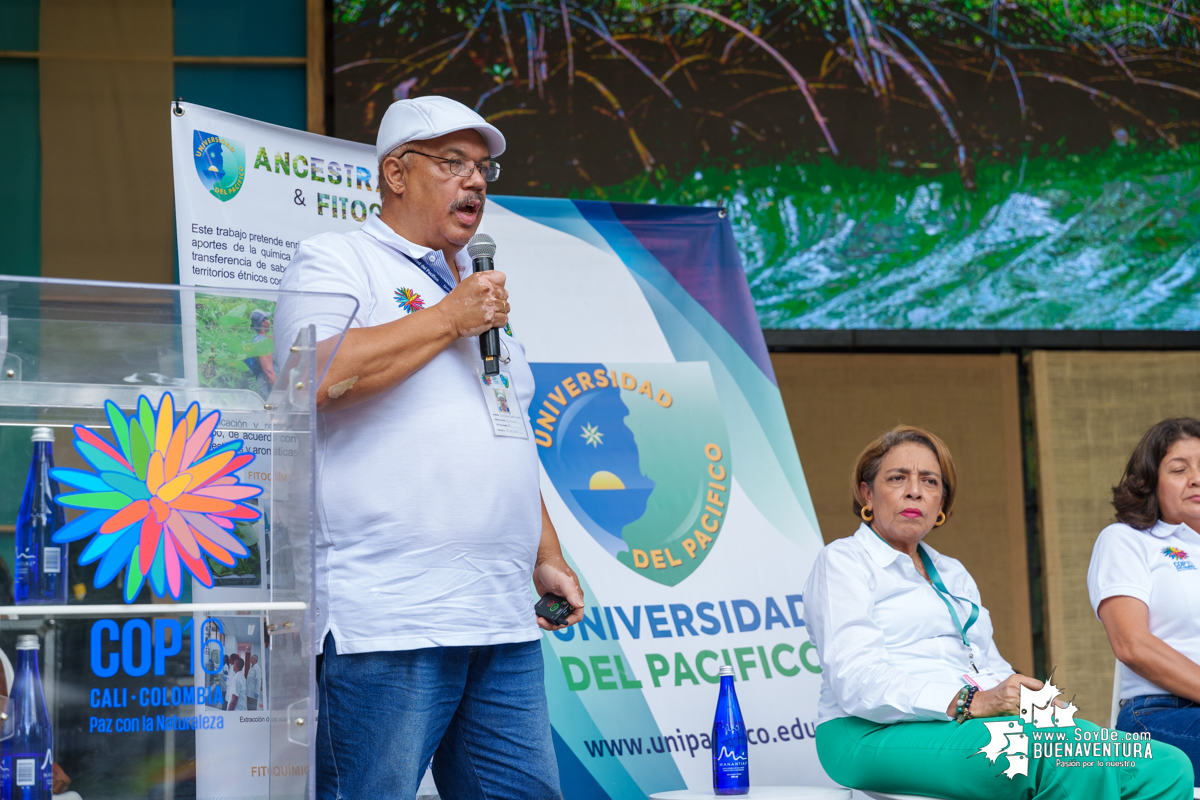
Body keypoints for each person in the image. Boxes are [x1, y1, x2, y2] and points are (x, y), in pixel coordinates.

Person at [273, 95, 585, 800]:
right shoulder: (338, 258)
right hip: (390, 619)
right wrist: (448, 319)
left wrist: (546, 554)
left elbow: (502, 431)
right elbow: (312, 378)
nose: (474, 181)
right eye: (452, 163)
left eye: (482, 168)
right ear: (395, 173)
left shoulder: (475, 294)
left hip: (500, 619)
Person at [805, 424, 1192, 799]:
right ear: (866, 493)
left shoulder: (952, 572)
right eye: (896, 478)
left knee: (1165, 765)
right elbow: (855, 678)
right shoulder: (844, 561)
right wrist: (969, 702)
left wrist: (1036, 702)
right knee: (1072, 755)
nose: (914, 492)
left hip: (967, 722)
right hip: (866, 730)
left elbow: (985, 664)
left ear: (942, 502)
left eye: (929, 481)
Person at [1090, 417, 1200, 786]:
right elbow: (1132, 645)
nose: (1196, 478)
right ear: (1151, 482)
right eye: (1179, 469)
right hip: (1158, 712)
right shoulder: (1127, 540)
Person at [246, 309, 276, 397]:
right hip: (267, 382)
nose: (268, 321)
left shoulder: (260, 340)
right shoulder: (262, 342)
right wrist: (279, 390)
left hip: (265, 381)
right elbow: (268, 371)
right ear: (263, 322)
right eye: (267, 318)